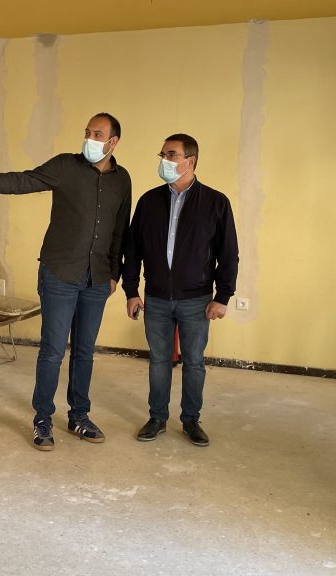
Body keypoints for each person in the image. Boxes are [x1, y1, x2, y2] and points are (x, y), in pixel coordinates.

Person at [0, 113, 132, 451]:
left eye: (97, 134)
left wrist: (115, 273)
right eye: (87, 132)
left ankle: (79, 416)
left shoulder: (122, 179)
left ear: (113, 141)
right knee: (53, 351)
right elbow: (23, 180)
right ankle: (42, 419)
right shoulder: (65, 166)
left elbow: (121, 229)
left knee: (85, 351)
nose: (90, 139)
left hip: (97, 278)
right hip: (60, 273)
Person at [121, 134, 239, 447]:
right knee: (159, 361)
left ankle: (191, 420)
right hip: (156, 298)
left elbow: (228, 254)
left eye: (172, 154)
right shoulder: (149, 201)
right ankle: (157, 417)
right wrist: (131, 291)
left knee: (194, 362)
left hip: (196, 300)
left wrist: (222, 297)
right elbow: (132, 250)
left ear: (191, 161)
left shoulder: (215, 202)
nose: (165, 160)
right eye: (162, 154)